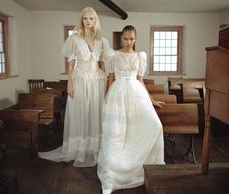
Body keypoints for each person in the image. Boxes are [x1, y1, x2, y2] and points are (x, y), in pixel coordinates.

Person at [38, 7, 114, 167]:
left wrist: (108, 82)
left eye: (91, 18)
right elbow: (70, 67)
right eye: (85, 18)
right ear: (82, 21)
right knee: (80, 113)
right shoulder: (74, 40)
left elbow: (103, 63)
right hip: (79, 79)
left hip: (97, 80)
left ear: (95, 21)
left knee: (95, 113)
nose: (88, 21)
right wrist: (69, 84)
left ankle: (94, 149)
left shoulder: (102, 41)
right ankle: (79, 149)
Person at [97, 25, 165, 194]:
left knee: (155, 125)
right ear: (121, 38)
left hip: (137, 94)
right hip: (117, 95)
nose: (129, 42)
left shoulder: (140, 56)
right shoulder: (113, 55)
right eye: (126, 38)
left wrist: (151, 99)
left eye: (132, 39)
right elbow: (111, 78)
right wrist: (106, 99)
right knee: (118, 132)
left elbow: (140, 80)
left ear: (135, 38)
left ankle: (144, 164)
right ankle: (115, 168)